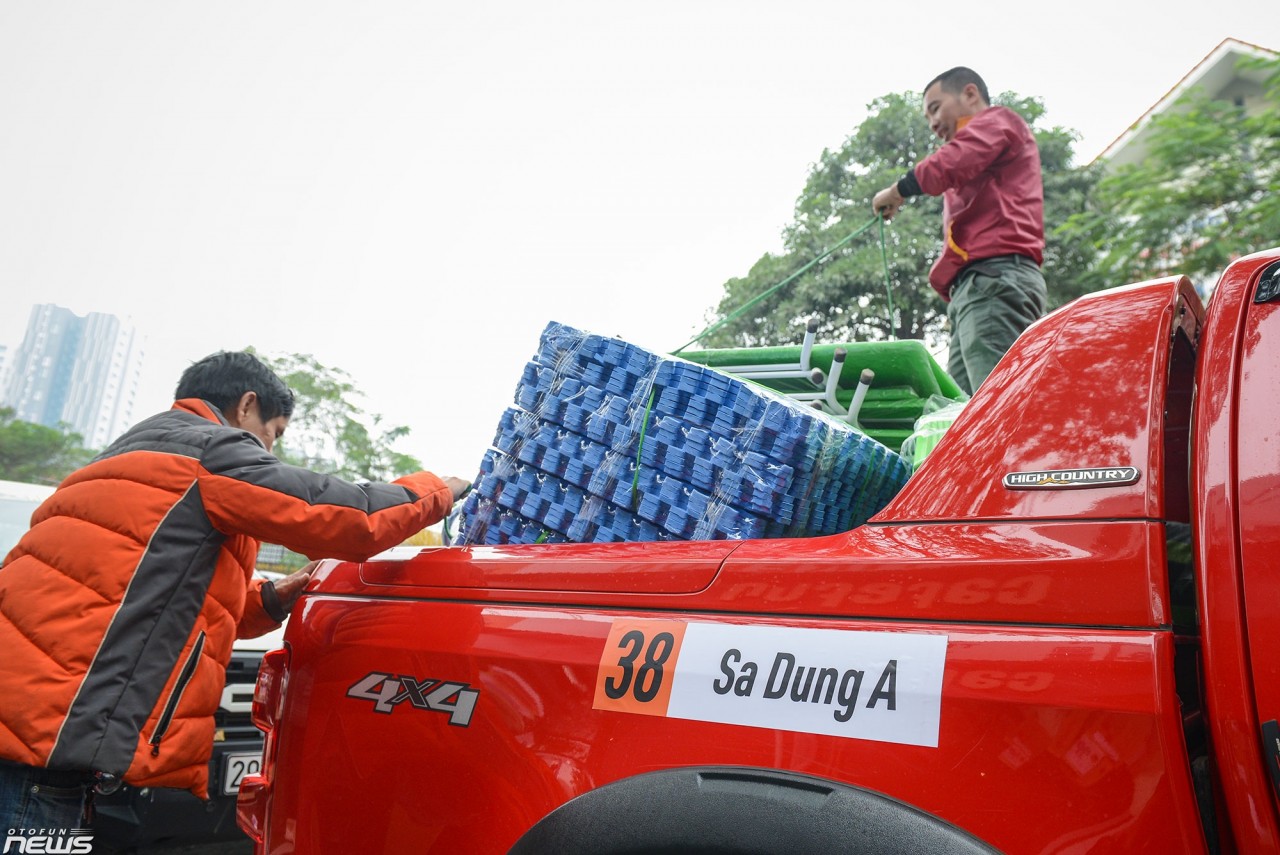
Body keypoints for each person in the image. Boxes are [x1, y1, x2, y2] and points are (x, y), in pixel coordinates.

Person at [0, 350, 470, 833]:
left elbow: (160, 600)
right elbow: (353, 518)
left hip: (23, 717)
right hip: (48, 743)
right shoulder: (211, 453)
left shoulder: (119, 460)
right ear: (247, 406)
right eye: (275, 432)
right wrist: (438, 491)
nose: (270, 450)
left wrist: (274, 597)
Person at [872, 66, 1047, 395]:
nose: (932, 124)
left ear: (970, 93)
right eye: (927, 117)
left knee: (995, 407)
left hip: (993, 280)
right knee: (960, 414)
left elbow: (951, 163)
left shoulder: (996, 122)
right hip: (980, 286)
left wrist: (898, 190)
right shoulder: (978, 154)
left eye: (935, 109)